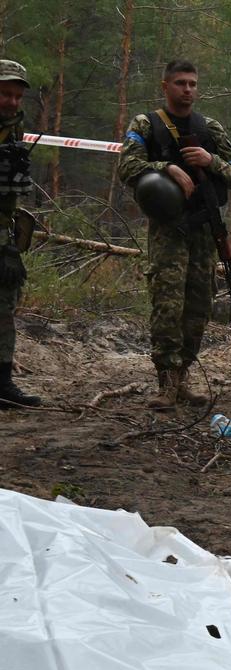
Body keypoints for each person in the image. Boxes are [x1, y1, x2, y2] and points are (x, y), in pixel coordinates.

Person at [118, 60, 231, 410]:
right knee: (167, 305)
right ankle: (166, 382)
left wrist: (209, 161)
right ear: (165, 86)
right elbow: (126, 166)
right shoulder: (147, 124)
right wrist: (166, 167)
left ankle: (184, 374)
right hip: (168, 231)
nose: (187, 89)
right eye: (180, 83)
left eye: (192, 83)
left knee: (198, 305)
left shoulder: (209, 128)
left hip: (203, 230)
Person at [0, 59, 40, 408]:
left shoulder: (15, 127)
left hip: (2, 226)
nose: (12, 101)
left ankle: (3, 383)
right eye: (5, 94)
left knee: (4, 303)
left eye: (17, 95)